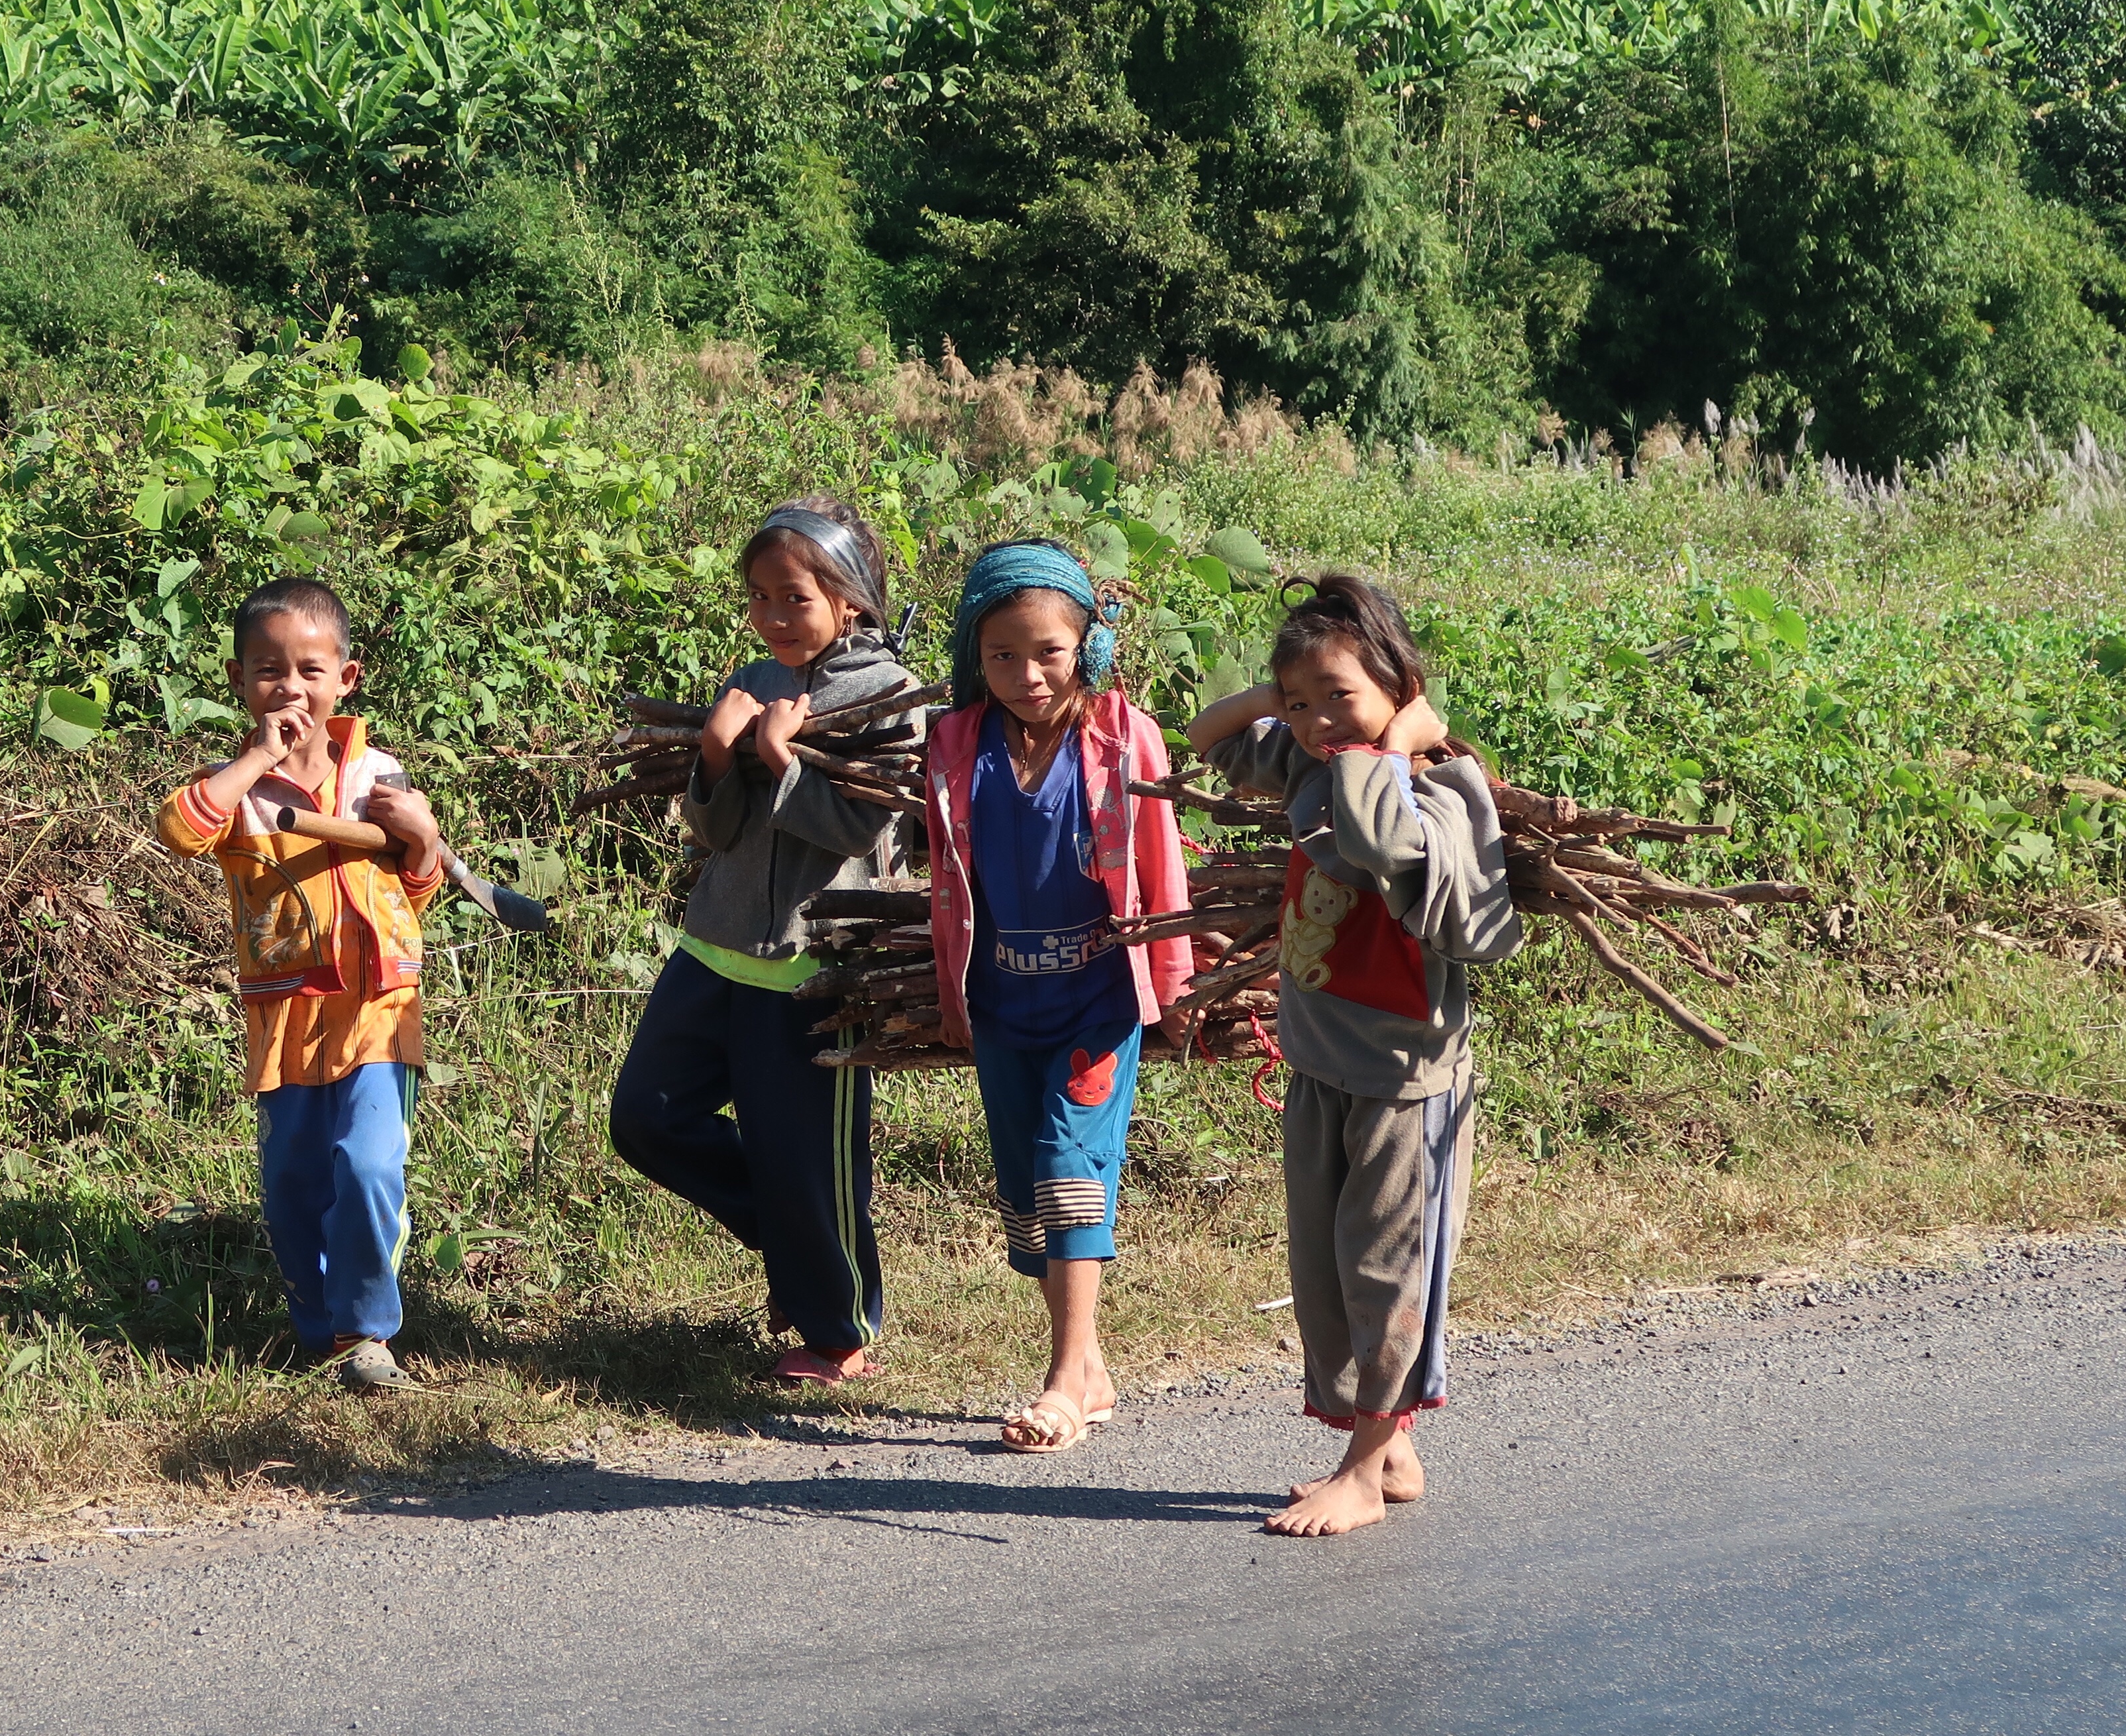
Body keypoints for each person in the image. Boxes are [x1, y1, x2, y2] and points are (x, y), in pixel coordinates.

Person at [1185, 573, 1520, 1535]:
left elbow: (1379, 839)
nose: (1320, 719)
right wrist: (1279, 701)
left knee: (1387, 1272)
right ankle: (1393, 1442)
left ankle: (1363, 1471)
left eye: (1343, 695)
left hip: (1405, 1083)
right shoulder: (1313, 763)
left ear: (1400, 684)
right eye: (1303, 702)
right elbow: (1206, 738)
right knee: (1328, 1273)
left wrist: (1402, 738)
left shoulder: (1440, 787)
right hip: (1321, 1063)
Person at [608, 497, 915, 1385]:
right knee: (647, 1117)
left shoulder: (888, 697)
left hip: (819, 963)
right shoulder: (753, 678)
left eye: (795, 598)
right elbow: (718, 831)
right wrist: (714, 755)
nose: (776, 617)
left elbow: (864, 830)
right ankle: (795, 1244)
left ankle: (839, 1329)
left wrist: (783, 761)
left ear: (850, 599)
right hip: (716, 947)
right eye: (760, 598)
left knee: (808, 1158)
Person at [928, 541, 1194, 1454]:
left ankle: (1062, 1379)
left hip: (1094, 996)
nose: (1027, 672)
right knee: (1025, 1194)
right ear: (976, 656)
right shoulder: (957, 742)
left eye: (1048, 650)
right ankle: (1092, 1367)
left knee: (1070, 1167)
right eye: (1002, 654)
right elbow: (944, 876)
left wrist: (1173, 987)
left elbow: (1160, 865)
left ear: (1089, 644)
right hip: (1001, 997)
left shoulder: (1125, 735)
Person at [154, 576, 447, 1391]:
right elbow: (180, 829)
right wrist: (255, 758)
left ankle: (366, 1333)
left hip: (377, 1006)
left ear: (345, 679)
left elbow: (415, 887)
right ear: (240, 681)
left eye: (311, 671)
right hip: (285, 1013)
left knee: (367, 1166)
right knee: (293, 1183)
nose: (291, 688)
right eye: (268, 671)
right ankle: (318, 1333)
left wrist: (421, 838)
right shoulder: (239, 788)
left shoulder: (376, 778)